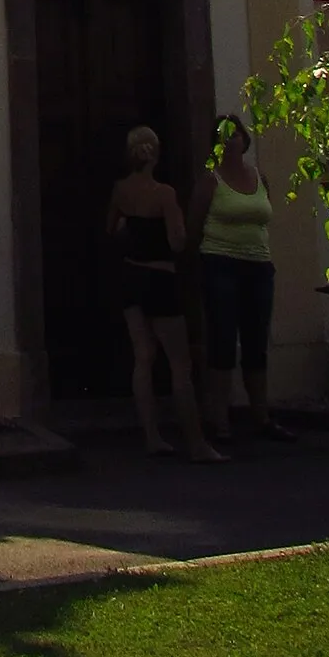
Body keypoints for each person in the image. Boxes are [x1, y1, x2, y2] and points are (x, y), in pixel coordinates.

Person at [106, 125, 223, 461]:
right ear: (155, 153)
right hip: (160, 278)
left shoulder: (120, 190)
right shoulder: (165, 194)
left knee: (143, 357)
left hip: (131, 276)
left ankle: (152, 436)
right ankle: (197, 443)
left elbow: (111, 229)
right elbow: (177, 241)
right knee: (179, 363)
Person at [188, 114, 296, 444]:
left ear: (244, 139)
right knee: (222, 342)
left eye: (236, 133)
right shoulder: (211, 181)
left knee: (255, 342)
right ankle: (218, 420)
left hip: (258, 266)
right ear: (217, 144)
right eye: (225, 135)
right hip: (220, 263)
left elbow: (264, 216)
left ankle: (261, 416)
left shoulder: (259, 178)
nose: (232, 139)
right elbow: (194, 225)